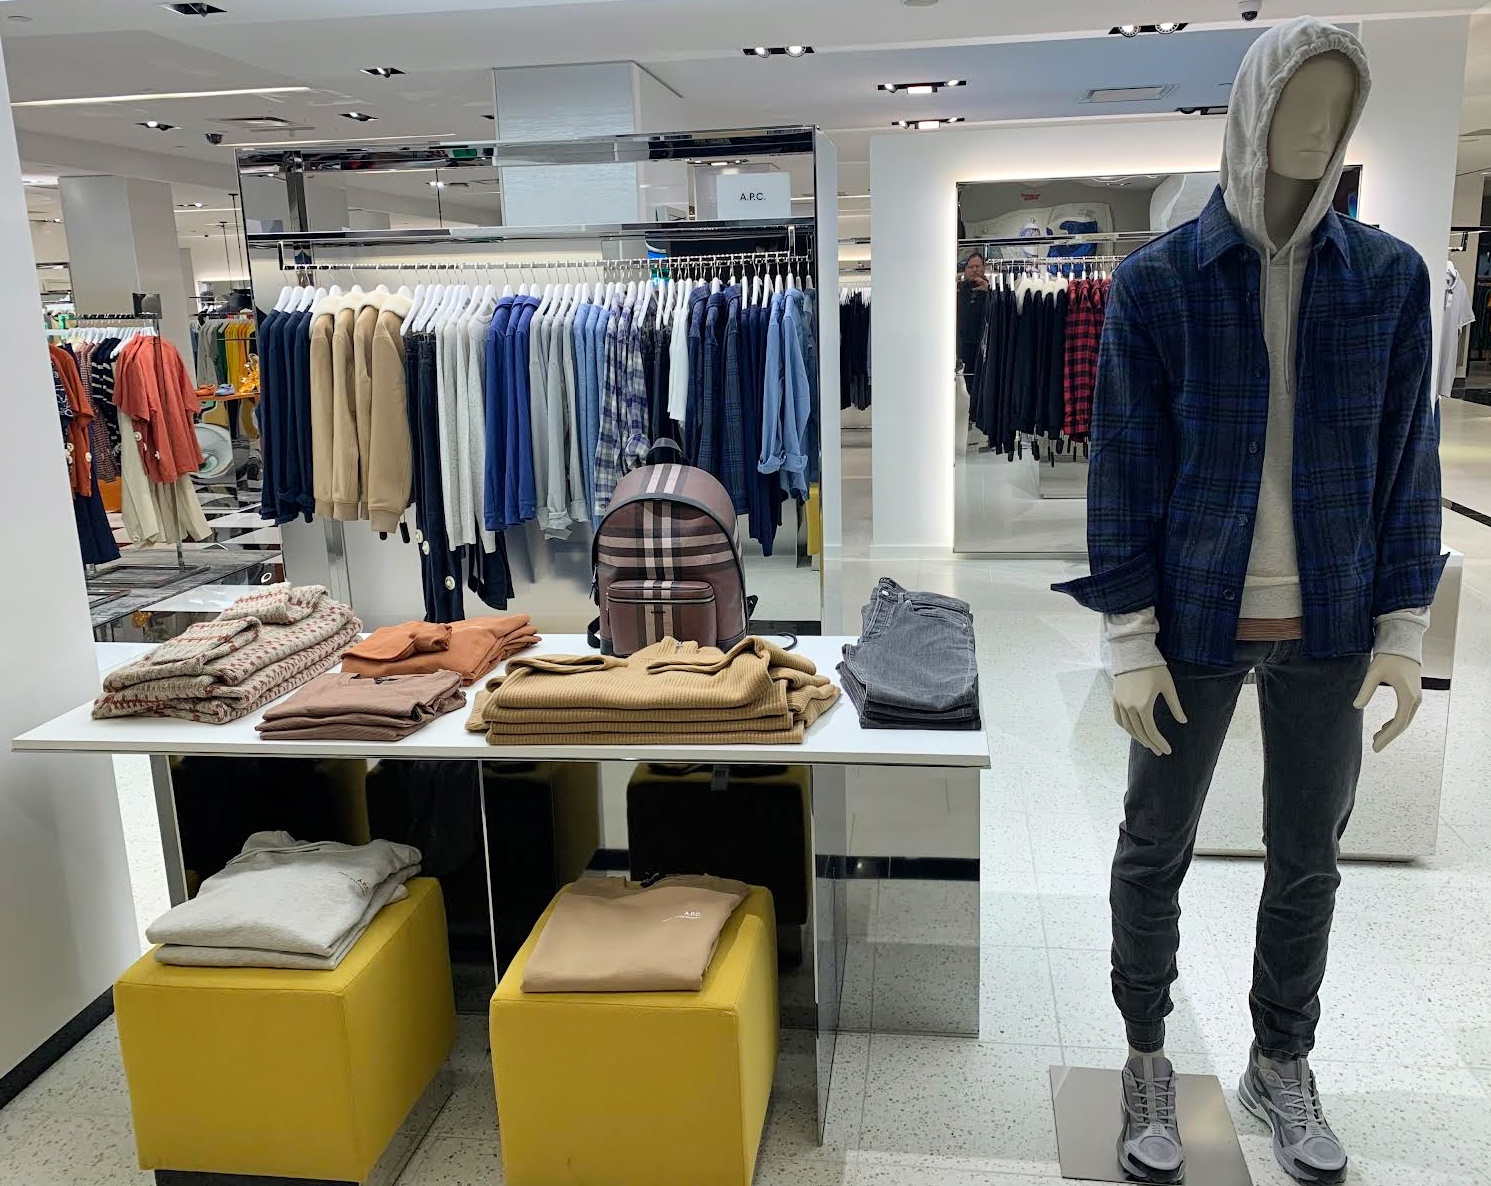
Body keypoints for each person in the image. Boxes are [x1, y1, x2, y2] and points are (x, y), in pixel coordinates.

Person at [956, 250, 988, 385]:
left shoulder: (993, 291)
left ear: (984, 268)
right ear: (965, 270)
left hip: (985, 347)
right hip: (963, 347)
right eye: (970, 267)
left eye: (977, 266)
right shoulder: (957, 291)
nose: (974, 270)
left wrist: (988, 291)